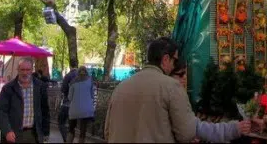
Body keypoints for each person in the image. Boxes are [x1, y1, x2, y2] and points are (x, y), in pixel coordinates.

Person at [105, 37, 250, 143]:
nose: (175, 66)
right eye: (175, 60)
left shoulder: (121, 87)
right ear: (166, 59)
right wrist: (233, 129)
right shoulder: (170, 87)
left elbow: (107, 132)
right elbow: (187, 133)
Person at [169, 58, 246, 142]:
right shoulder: (173, 98)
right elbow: (194, 129)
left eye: (185, 73)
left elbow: (195, 127)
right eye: (181, 74)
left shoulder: (179, 96)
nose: (185, 77)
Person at [0, 58, 50, 143]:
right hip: (13, 134)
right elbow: (0, 111)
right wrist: (7, 130)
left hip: (34, 135)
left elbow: (45, 111)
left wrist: (46, 133)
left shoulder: (40, 87)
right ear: (18, 70)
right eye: (22, 70)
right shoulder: (8, 88)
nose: (25, 73)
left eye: (28, 70)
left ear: (32, 70)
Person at [67, 67, 94, 144]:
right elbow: (92, 95)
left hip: (74, 110)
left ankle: (69, 141)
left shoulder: (73, 82)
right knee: (83, 130)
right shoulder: (90, 80)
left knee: (71, 128)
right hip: (86, 110)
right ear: (86, 72)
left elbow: (69, 97)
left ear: (77, 73)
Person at [58, 61, 78, 142]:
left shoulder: (68, 76)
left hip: (67, 103)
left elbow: (63, 89)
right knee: (72, 126)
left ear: (70, 66)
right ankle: (70, 140)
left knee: (61, 122)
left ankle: (66, 139)